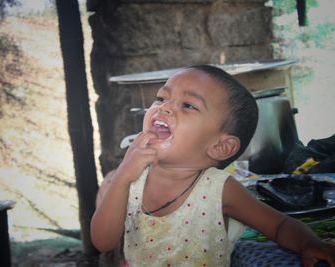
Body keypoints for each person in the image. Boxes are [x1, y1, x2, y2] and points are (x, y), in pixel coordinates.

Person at [91, 65, 335, 267]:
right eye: (161, 98)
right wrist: (122, 178)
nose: (164, 107)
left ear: (220, 147)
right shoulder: (132, 180)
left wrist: (308, 243)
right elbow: (103, 242)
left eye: (188, 105)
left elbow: (279, 225)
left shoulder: (219, 189)